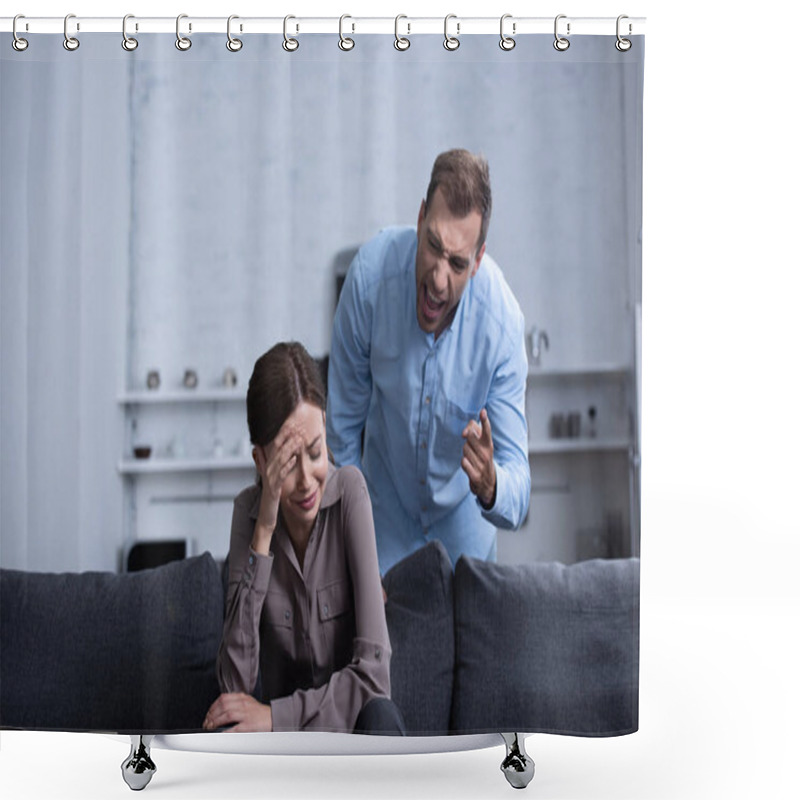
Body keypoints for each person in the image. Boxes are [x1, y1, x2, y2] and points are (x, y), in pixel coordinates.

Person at [327, 149, 530, 574]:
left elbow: (519, 489)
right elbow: (341, 435)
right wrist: (353, 549)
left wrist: (492, 485)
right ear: (420, 219)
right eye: (433, 246)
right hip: (381, 526)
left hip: (466, 537)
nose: (438, 280)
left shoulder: (502, 325)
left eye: (457, 263)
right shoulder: (368, 282)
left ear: (477, 261)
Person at [203, 342, 404, 734]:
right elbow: (234, 686)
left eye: (315, 452)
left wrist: (277, 716)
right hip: (285, 751)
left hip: (350, 736)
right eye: (287, 463)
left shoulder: (350, 494)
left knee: (382, 716)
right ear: (261, 462)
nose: (307, 479)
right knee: (224, 728)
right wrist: (263, 532)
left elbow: (375, 679)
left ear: (325, 430)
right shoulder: (248, 513)